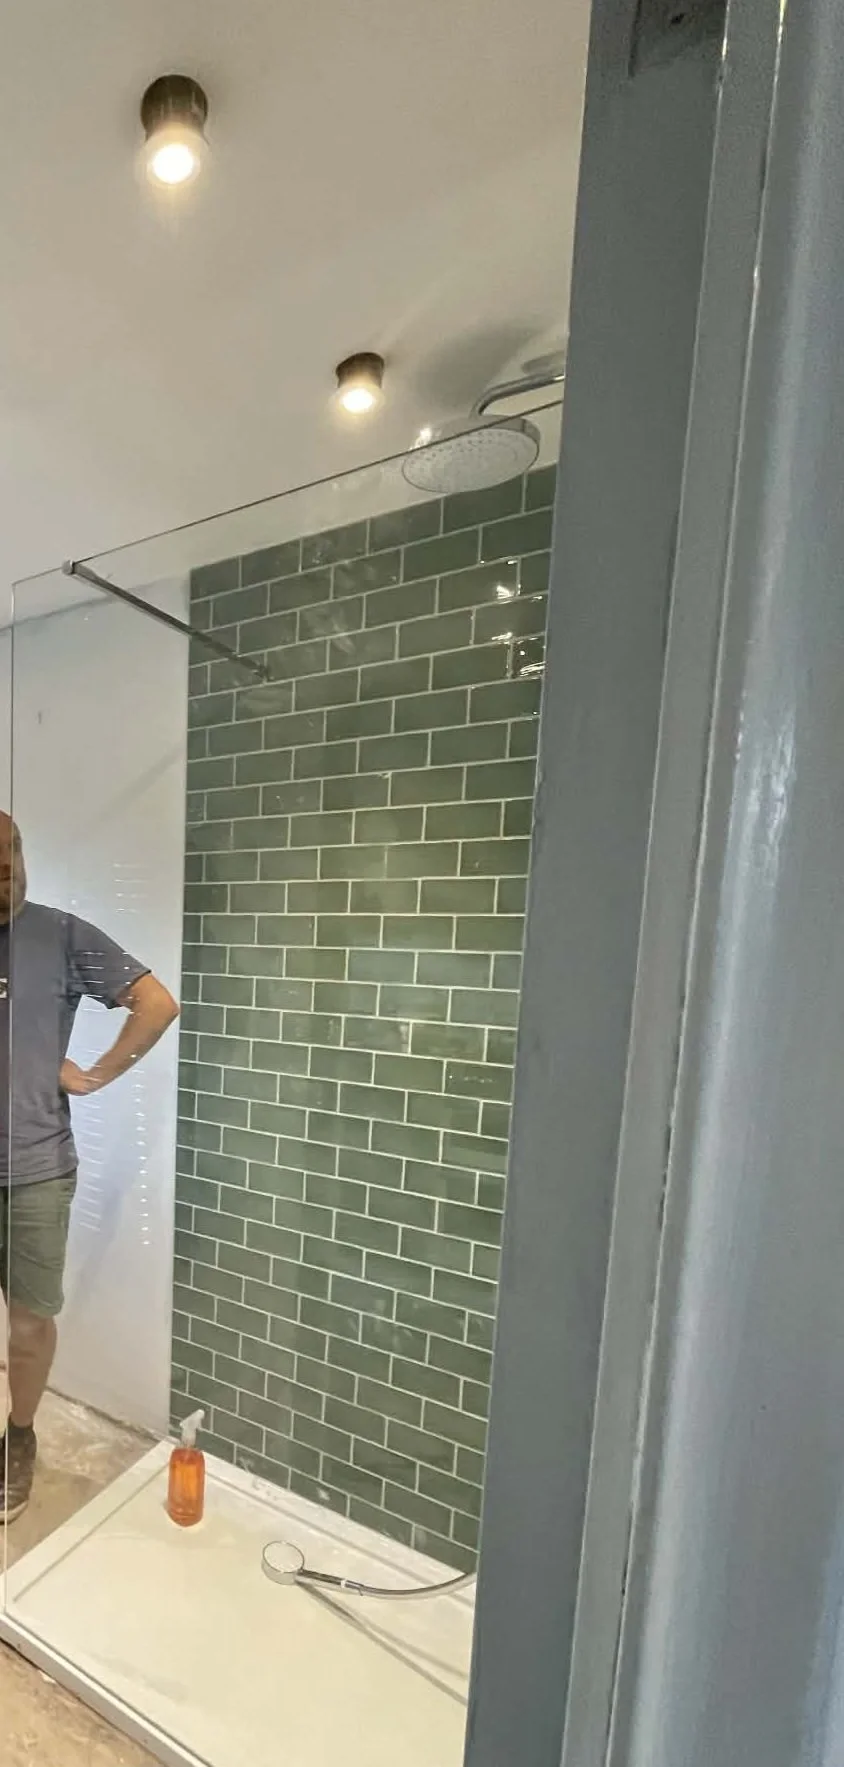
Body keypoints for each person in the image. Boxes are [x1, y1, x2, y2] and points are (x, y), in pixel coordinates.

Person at [0, 811, 179, 1520]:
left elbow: (156, 1003)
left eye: (10, 851)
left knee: (29, 1323)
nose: (4, 867)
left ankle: (19, 1437)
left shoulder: (60, 934)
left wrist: (96, 1074)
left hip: (35, 1168)